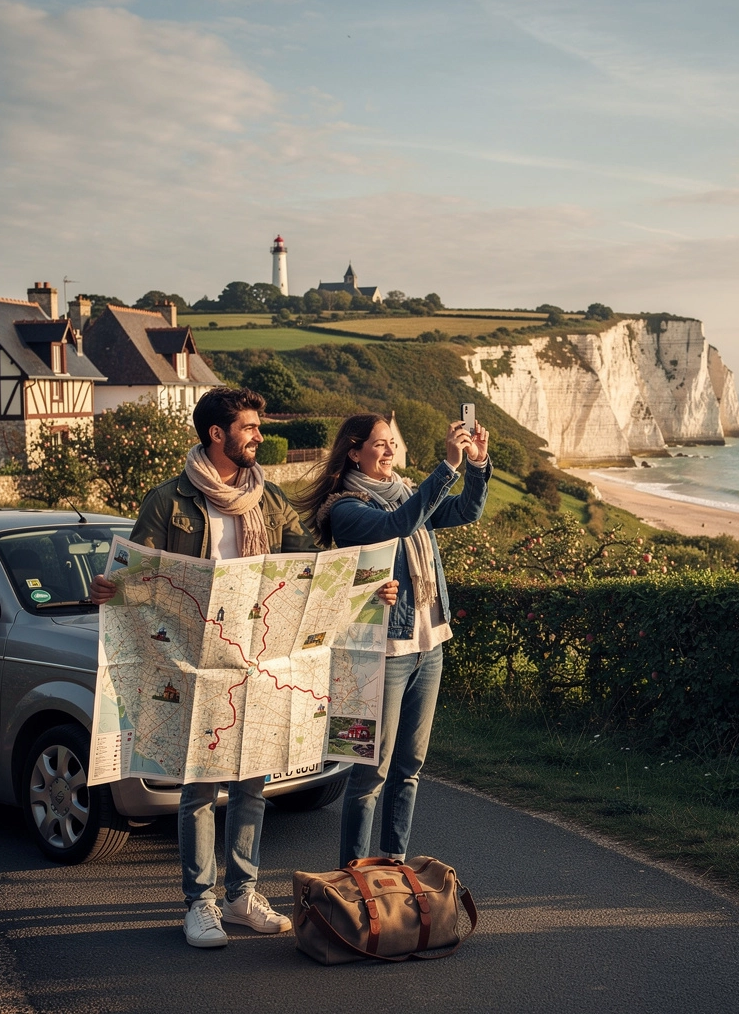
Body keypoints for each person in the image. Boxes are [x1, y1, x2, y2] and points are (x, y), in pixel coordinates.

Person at [89, 387, 397, 949]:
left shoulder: (270, 501)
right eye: (250, 428)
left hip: (259, 661)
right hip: (197, 662)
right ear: (216, 434)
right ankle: (199, 903)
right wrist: (113, 588)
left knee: (254, 783)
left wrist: (369, 587)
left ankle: (241, 894)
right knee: (201, 788)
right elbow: (139, 577)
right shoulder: (169, 501)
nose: (259, 436)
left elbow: (311, 569)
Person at [293, 413, 490, 866]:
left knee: (410, 769)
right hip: (377, 654)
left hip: (428, 645)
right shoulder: (345, 508)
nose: (389, 451)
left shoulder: (404, 492)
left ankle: (394, 865)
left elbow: (466, 511)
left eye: (391, 444)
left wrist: (476, 465)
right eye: (379, 444)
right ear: (354, 452)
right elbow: (396, 526)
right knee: (370, 774)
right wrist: (447, 467)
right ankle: (354, 874)